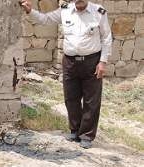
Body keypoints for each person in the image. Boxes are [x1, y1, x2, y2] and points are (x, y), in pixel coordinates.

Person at [20, 0, 112, 149]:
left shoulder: (99, 12)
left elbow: (106, 37)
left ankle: (86, 135)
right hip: (70, 61)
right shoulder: (65, 10)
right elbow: (46, 19)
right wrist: (30, 11)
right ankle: (75, 130)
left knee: (91, 100)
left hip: (91, 61)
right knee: (71, 97)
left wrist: (103, 62)